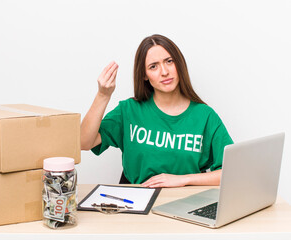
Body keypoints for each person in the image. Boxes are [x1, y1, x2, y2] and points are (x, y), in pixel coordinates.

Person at [81, 34, 233, 188]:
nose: (164, 72)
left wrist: (184, 179)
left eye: (169, 61)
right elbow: (84, 142)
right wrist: (103, 95)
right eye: (153, 66)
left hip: (185, 202)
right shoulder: (129, 110)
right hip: (136, 202)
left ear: (179, 64)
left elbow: (231, 173)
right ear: (144, 75)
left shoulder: (205, 116)